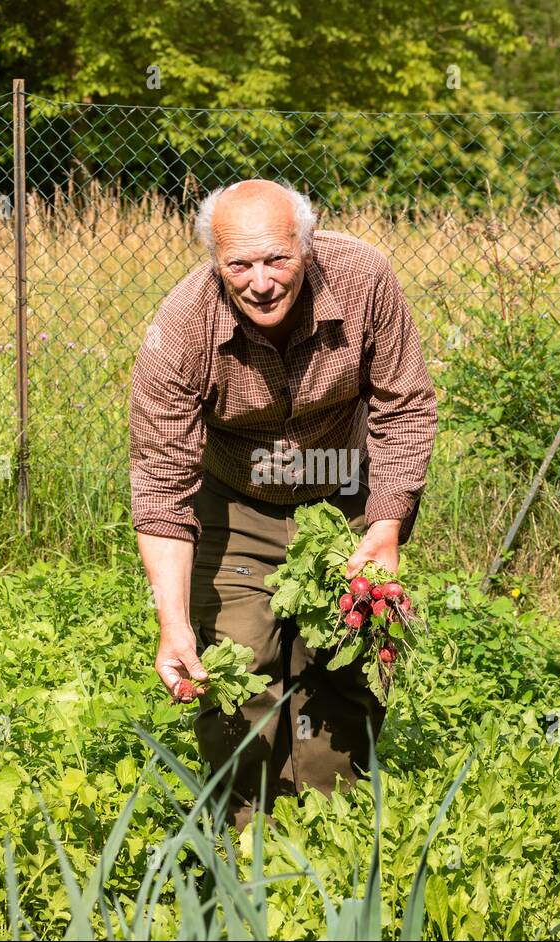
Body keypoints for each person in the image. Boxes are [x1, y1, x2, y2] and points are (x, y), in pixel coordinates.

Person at [128, 178, 436, 831]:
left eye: (277, 259)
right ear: (215, 261)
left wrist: (386, 530)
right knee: (240, 667)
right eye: (239, 264)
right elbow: (161, 480)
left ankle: (335, 837)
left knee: (345, 663)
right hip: (236, 500)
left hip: (347, 495)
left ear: (308, 243)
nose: (260, 281)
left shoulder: (364, 279)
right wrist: (172, 619)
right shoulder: (182, 326)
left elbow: (403, 408)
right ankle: (246, 848)